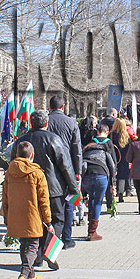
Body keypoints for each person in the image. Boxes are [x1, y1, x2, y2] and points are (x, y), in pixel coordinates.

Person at [16, 111, 80, 267]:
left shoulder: (22, 141)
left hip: (28, 189)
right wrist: (73, 187)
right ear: (46, 123)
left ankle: (36, 258)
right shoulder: (54, 139)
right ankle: (49, 251)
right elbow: (65, 165)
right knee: (57, 220)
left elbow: (12, 163)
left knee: (35, 222)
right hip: (53, 189)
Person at [1, 142, 52, 279]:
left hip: (16, 214)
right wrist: (48, 220)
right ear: (32, 156)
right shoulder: (37, 173)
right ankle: (23, 275)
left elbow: (5, 197)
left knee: (24, 244)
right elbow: (44, 199)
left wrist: (6, 216)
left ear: (17, 155)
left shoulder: (9, 172)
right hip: (32, 215)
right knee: (32, 246)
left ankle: (31, 275)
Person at [47, 96, 82, 249]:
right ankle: (66, 238)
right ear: (63, 106)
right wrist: (78, 171)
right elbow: (77, 149)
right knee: (68, 203)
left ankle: (49, 240)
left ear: (50, 107)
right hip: (67, 168)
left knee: (49, 205)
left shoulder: (45, 121)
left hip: (48, 168)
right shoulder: (71, 123)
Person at [81, 123, 116, 241]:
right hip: (101, 175)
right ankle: (92, 232)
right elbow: (112, 165)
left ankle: (90, 229)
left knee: (92, 199)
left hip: (87, 176)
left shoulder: (88, 147)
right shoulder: (107, 147)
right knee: (98, 202)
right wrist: (112, 184)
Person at [110, 118, 132, 202]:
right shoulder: (126, 135)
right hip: (124, 158)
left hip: (114, 157)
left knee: (112, 176)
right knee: (122, 177)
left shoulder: (112, 135)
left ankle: (111, 194)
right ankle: (121, 195)